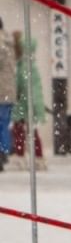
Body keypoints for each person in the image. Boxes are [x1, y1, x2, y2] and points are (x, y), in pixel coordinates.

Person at [11, 31, 46, 170]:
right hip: (31, 103)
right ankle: (38, 158)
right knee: (32, 132)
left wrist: (16, 97)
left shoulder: (22, 67)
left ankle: (21, 157)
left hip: (23, 103)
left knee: (19, 131)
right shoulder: (31, 66)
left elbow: (20, 86)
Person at [0, 19, 14, 172]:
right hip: (8, 91)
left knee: (1, 124)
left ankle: (1, 154)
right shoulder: (8, 40)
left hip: (1, 90)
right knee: (4, 123)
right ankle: (4, 151)